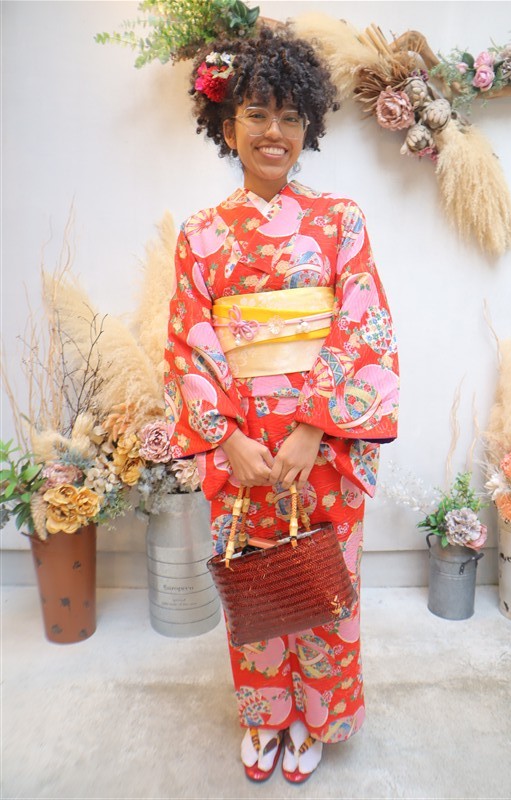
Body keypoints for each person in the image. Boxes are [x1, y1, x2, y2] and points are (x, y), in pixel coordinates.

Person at [164, 27, 399, 784]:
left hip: (320, 442)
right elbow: (189, 342)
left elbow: (362, 324)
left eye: (291, 117)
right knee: (258, 587)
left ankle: (317, 715)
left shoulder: (340, 219)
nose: (275, 132)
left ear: (310, 128)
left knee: (323, 587)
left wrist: (312, 429)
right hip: (241, 448)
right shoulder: (201, 235)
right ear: (227, 123)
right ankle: (266, 712)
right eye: (258, 114)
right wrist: (225, 438)